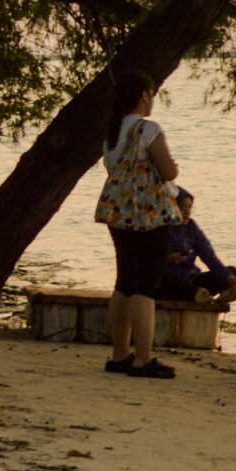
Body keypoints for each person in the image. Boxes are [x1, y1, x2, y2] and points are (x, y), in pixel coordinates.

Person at [91, 69, 183, 380]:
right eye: (151, 94)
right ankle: (143, 358)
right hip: (149, 214)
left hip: (118, 212)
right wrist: (173, 167)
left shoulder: (112, 133)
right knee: (146, 285)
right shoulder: (148, 129)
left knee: (125, 282)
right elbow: (168, 172)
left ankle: (119, 354)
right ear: (144, 95)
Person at [155, 189, 236, 306]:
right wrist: (167, 259)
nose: (187, 212)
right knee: (160, 273)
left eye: (189, 208)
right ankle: (196, 294)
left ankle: (211, 296)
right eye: (182, 208)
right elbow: (146, 260)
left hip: (191, 279)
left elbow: (209, 256)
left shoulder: (191, 226)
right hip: (169, 285)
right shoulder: (158, 226)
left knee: (232, 271)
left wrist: (227, 276)